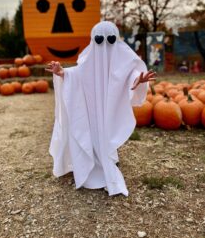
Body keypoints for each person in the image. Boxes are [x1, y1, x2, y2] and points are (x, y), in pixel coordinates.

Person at [46, 21, 156, 196]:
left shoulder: (123, 59)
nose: (104, 46)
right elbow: (76, 74)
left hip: (111, 109)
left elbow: (130, 74)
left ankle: (107, 161)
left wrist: (137, 81)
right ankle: (95, 167)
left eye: (110, 40)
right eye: (99, 40)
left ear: (116, 39)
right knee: (95, 136)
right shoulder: (87, 60)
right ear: (92, 40)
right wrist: (62, 72)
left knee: (107, 135)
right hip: (92, 111)